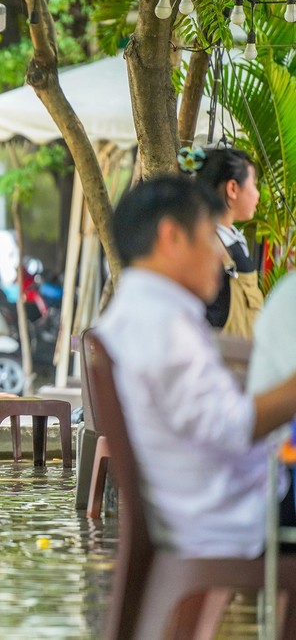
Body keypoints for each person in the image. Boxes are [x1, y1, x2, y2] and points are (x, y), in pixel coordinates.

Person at [96, 175, 296, 558]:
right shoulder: (161, 325)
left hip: (218, 504)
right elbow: (234, 427)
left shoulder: (142, 315)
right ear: (171, 237)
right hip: (239, 516)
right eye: (210, 237)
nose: (221, 256)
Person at [179, 146, 264, 336]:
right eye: (254, 184)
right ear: (233, 188)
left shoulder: (231, 239)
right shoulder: (206, 247)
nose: (257, 194)